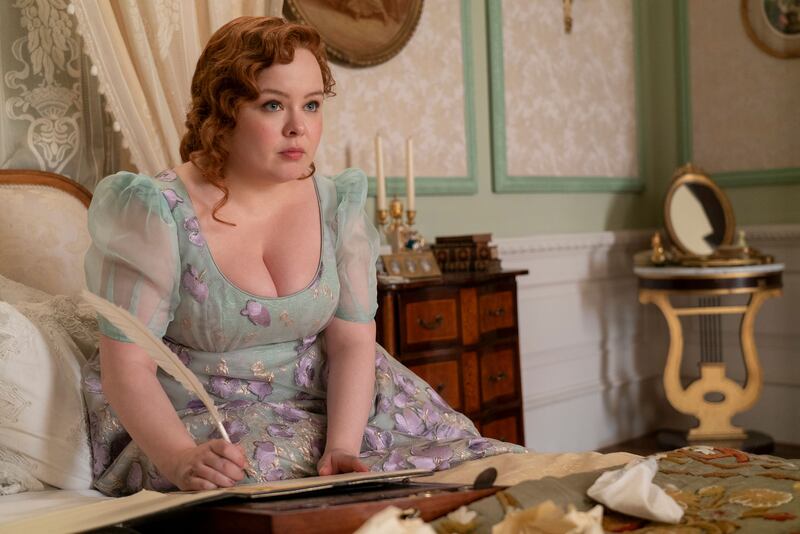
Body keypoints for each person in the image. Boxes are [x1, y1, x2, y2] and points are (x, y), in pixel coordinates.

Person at [82, 16, 521, 496]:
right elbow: (127, 368)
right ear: (222, 113)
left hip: (340, 400)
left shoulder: (335, 205)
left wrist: (342, 447)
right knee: (262, 473)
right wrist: (179, 457)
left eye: (311, 104)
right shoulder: (155, 211)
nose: (299, 127)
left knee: (469, 464)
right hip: (203, 419)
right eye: (273, 105)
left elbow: (352, 344)